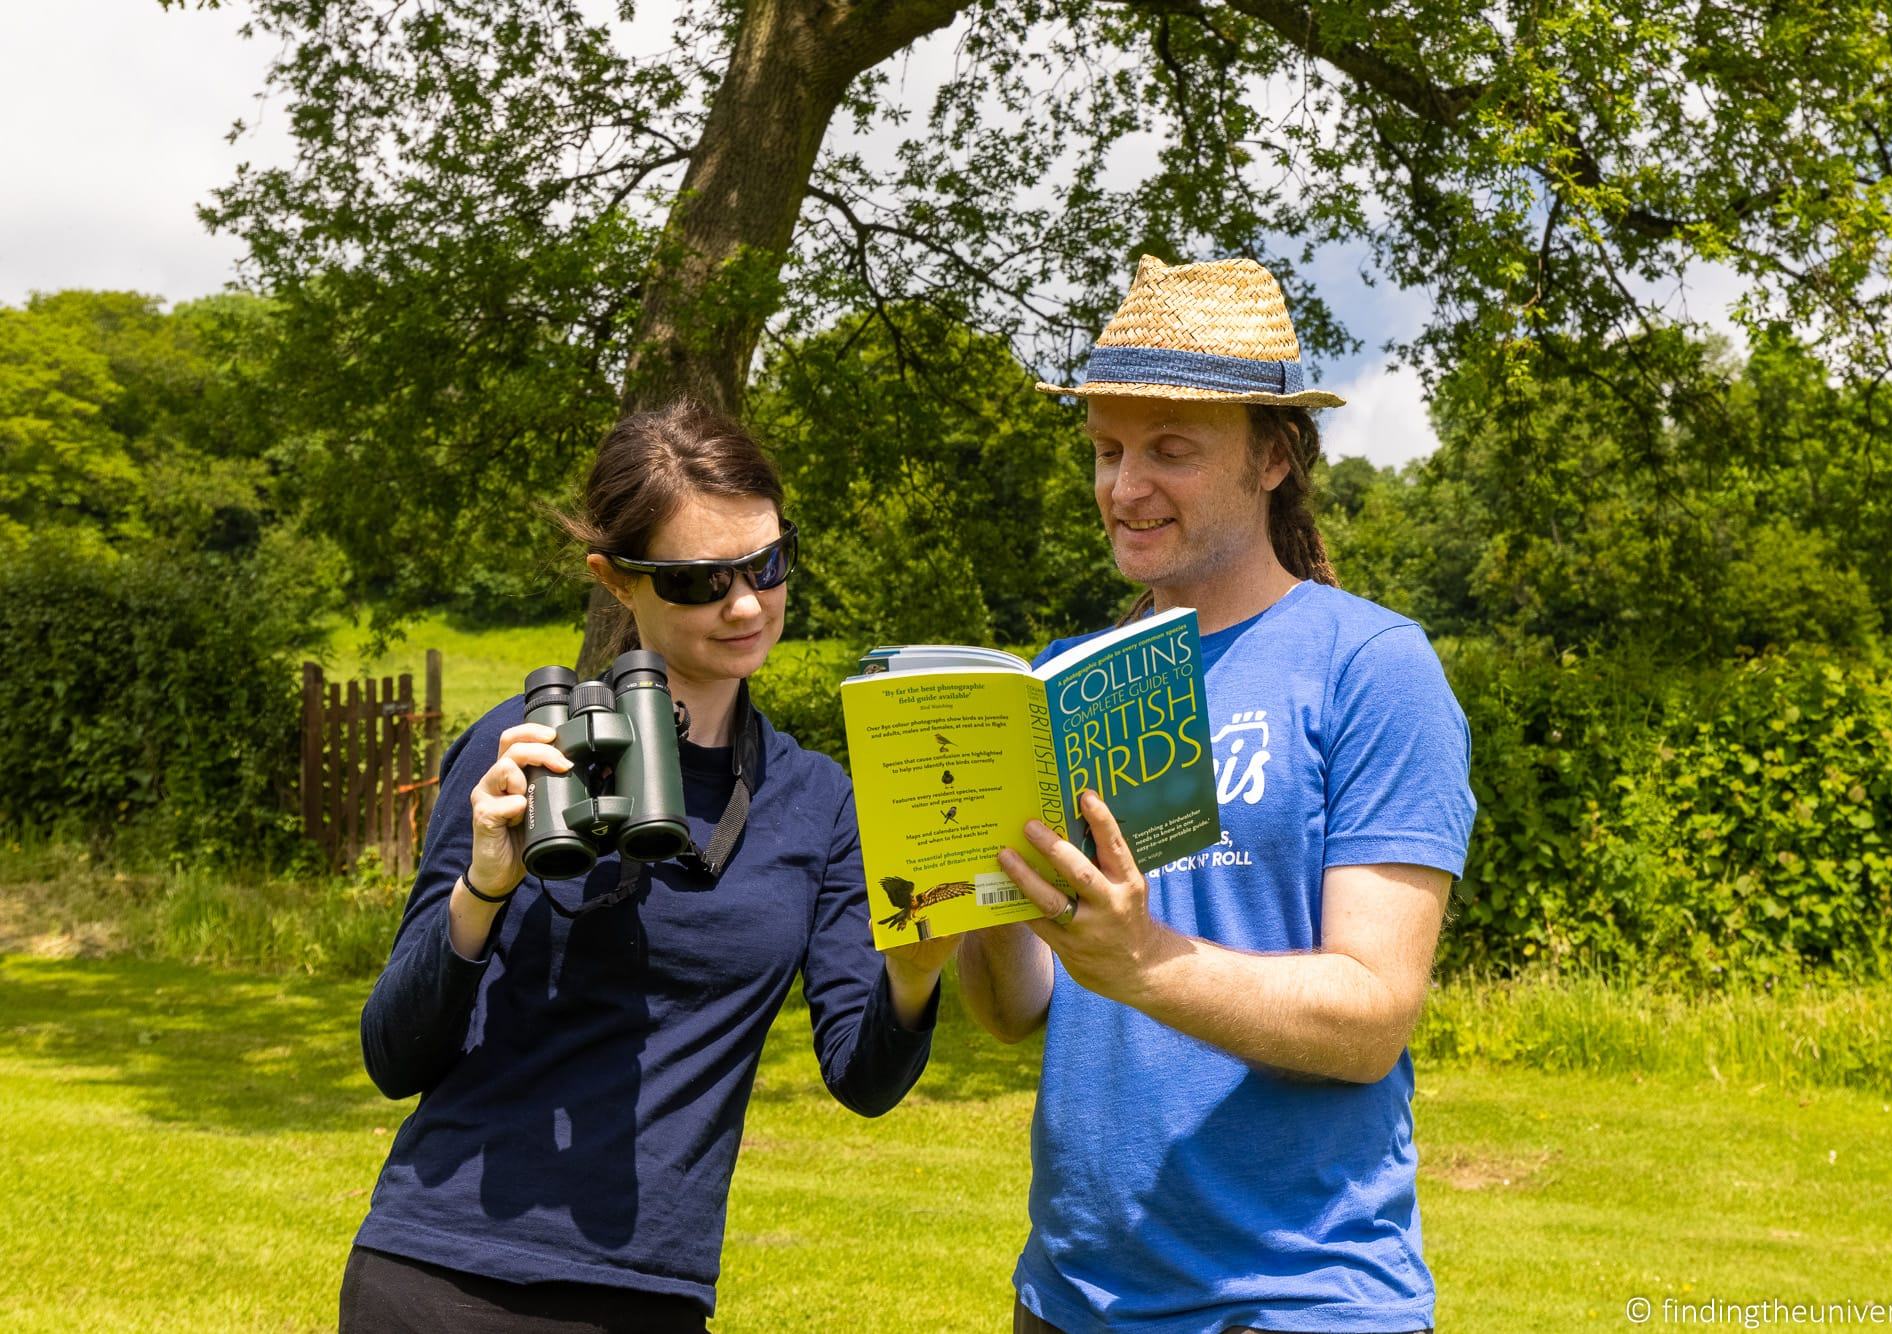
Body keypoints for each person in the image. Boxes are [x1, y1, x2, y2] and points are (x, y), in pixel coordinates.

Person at [339, 401, 955, 1333]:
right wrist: (484, 890)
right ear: (616, 582)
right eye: (700, 582)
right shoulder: (525, 749)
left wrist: (915, 972)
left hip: (650, 1295)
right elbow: (394, 1056)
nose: (746, 604)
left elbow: (862, 1079)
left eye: (768, 564)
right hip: (439, 1274)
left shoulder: (820, 799)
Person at [958, 256, 1476, 1334]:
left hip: (1292, 1300)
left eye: (1169, 450)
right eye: (1105, 449)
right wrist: (973, 880)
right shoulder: (1067, 675)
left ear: (1274, 456)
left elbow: (1370, 1017)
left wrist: (1141, 961)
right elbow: (1014, 1011)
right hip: (1066, 1298)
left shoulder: (1369, 663)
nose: (1122, 485)